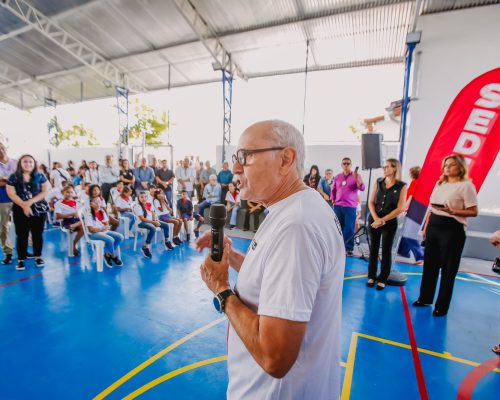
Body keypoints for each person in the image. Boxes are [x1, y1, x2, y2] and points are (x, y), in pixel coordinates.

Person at [197, 120, 344, 399]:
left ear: (286, 159)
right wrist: (233, 258)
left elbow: (273, 356)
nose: (236, 168)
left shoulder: (295, 227)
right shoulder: (298, 206)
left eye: (246, 156)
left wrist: (221, 289)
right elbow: (274, 270)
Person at [413, 155, 478, 316]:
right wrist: (426, 227)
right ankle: (425, 297)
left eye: (452, 165)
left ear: (460, 167)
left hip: (452, 228)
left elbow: (474, 211)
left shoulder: (466, 186)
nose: (447, 168)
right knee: (430, 265)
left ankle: (441, 305)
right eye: (446, 165)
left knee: (448, 270)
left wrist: (453, 211)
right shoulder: (440, 183)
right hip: (435, 224)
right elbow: (431, 207)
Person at [366, 158, 407, 290]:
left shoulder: (401, 186)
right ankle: (371, 276)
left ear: (395, 168)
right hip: (374, 220)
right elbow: (371, 202)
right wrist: (376, 218)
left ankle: (383, 278)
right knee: (373, 249)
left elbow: (400, 208)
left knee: (386, 251)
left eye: (388, 166)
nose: (385, 169)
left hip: (389, 223)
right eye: (384, 166)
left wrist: (383, 220)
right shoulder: (378, 182)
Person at [6, 155, 50, 271]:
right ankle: (21, 259)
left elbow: (45, 191)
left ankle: (38, 256)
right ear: (20, 163)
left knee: (37, 234)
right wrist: (24, 205)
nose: (28, 164)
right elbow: (11, 194)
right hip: (19, 209)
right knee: (21, 235)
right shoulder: (14, 177)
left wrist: (29, 202)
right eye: (25, 161)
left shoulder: (40, 176)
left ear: (34, 163)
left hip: (38, 209)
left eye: (31, 162)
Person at [331, 158, 365, 256]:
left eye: (348, 163)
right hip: (338, 206)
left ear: (351, 165)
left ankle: (348, 248)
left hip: (350, 206)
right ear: (341, 165)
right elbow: (333, 189)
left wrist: (357, 178)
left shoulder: (356, 176)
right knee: (338, 227)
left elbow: (362, 188)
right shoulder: (337, 177)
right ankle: (337, 246)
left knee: (349, 228)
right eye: (344, 163)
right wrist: (333, 199)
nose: (346, 165)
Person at [84, 197, 123, 268]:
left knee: (120, 237)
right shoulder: (89, 214)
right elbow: (91, 229)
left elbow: (107, 222)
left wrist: (106, 226)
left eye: (99, 202)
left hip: (104, 231)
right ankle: (113, 255)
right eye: (96, 202)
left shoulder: (102, 211)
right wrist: (101, 229)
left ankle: (107, 254)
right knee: (110, 239)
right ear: (91, 204)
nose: (98, 204)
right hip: (94, 234)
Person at [397, 166, 424, 264]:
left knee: (409, 233)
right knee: (405, 231)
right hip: (418, 211)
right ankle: (403, 251)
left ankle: (420, 256)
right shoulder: (421, 185)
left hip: (412, 211)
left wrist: (404, 209)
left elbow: (410, 198)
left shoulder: (414, 182)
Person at [134, 191, 173, 257]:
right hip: (141, 223)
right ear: (138, 198)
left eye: (145, 197)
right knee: (152, 228)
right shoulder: (137, 206)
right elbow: (142, 219)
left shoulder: (149, 204)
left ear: (147, 197)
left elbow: (153, 213)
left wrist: (155, 220)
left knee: (165, 225)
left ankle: (167, 241)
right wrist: (153, 222)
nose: (144, 198)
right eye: (142, 197)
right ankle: (146, 247)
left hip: (151, 221)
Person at [0, 143, 17, 265]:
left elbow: (21, 179)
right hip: (2, 199)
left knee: (23, 226)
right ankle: (8, 252)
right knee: (3, 227)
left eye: (2, 147)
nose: (0, 150)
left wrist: (4, 180)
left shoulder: (16, 163)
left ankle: (24, 250)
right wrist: (10, 181)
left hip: (18, 198)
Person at [54, 185, 83, 256]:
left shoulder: (77, 202)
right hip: (67, 221)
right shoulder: (58, 203)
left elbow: (80, 213)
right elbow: (58, 216)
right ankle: (73, 245)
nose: (69, 194)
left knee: (84, 226)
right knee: (83, 225)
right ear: (63, 193)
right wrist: (72, 213)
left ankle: (73, 244)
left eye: (71, 192)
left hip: (77, 221)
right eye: (67, 192)